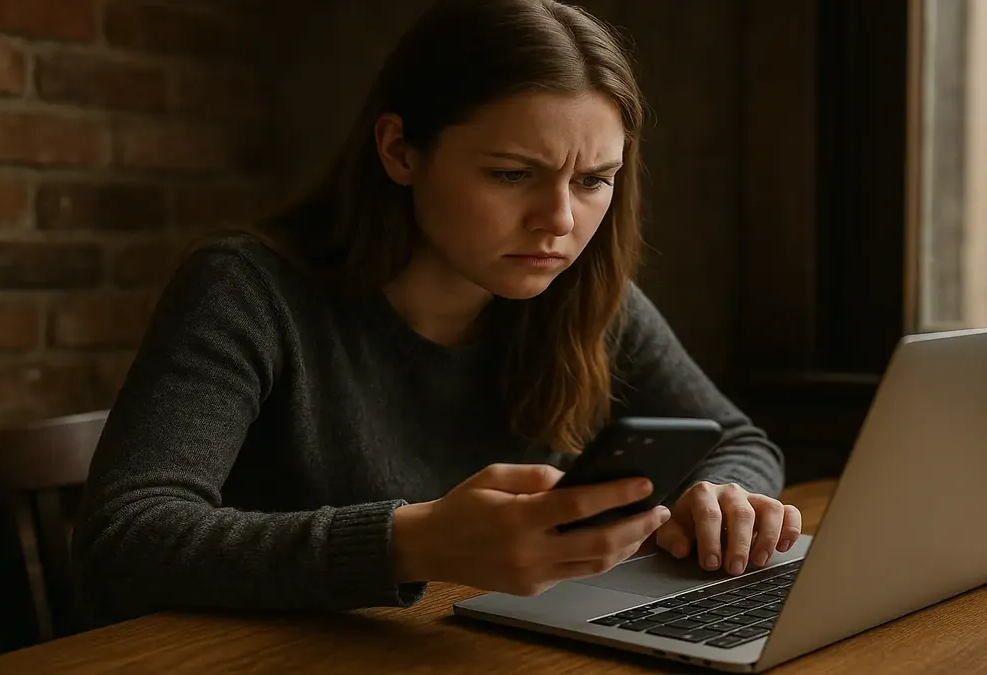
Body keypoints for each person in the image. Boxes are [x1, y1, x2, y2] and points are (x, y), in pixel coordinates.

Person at [71, 0, 801, 626]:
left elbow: (739, 438)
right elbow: (125, 539)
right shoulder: (248, 290)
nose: (559, 221)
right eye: (513, 174)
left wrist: (725, 498)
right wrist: (410, 541)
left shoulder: (581, 292)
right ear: (399, 150)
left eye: (592, 180)